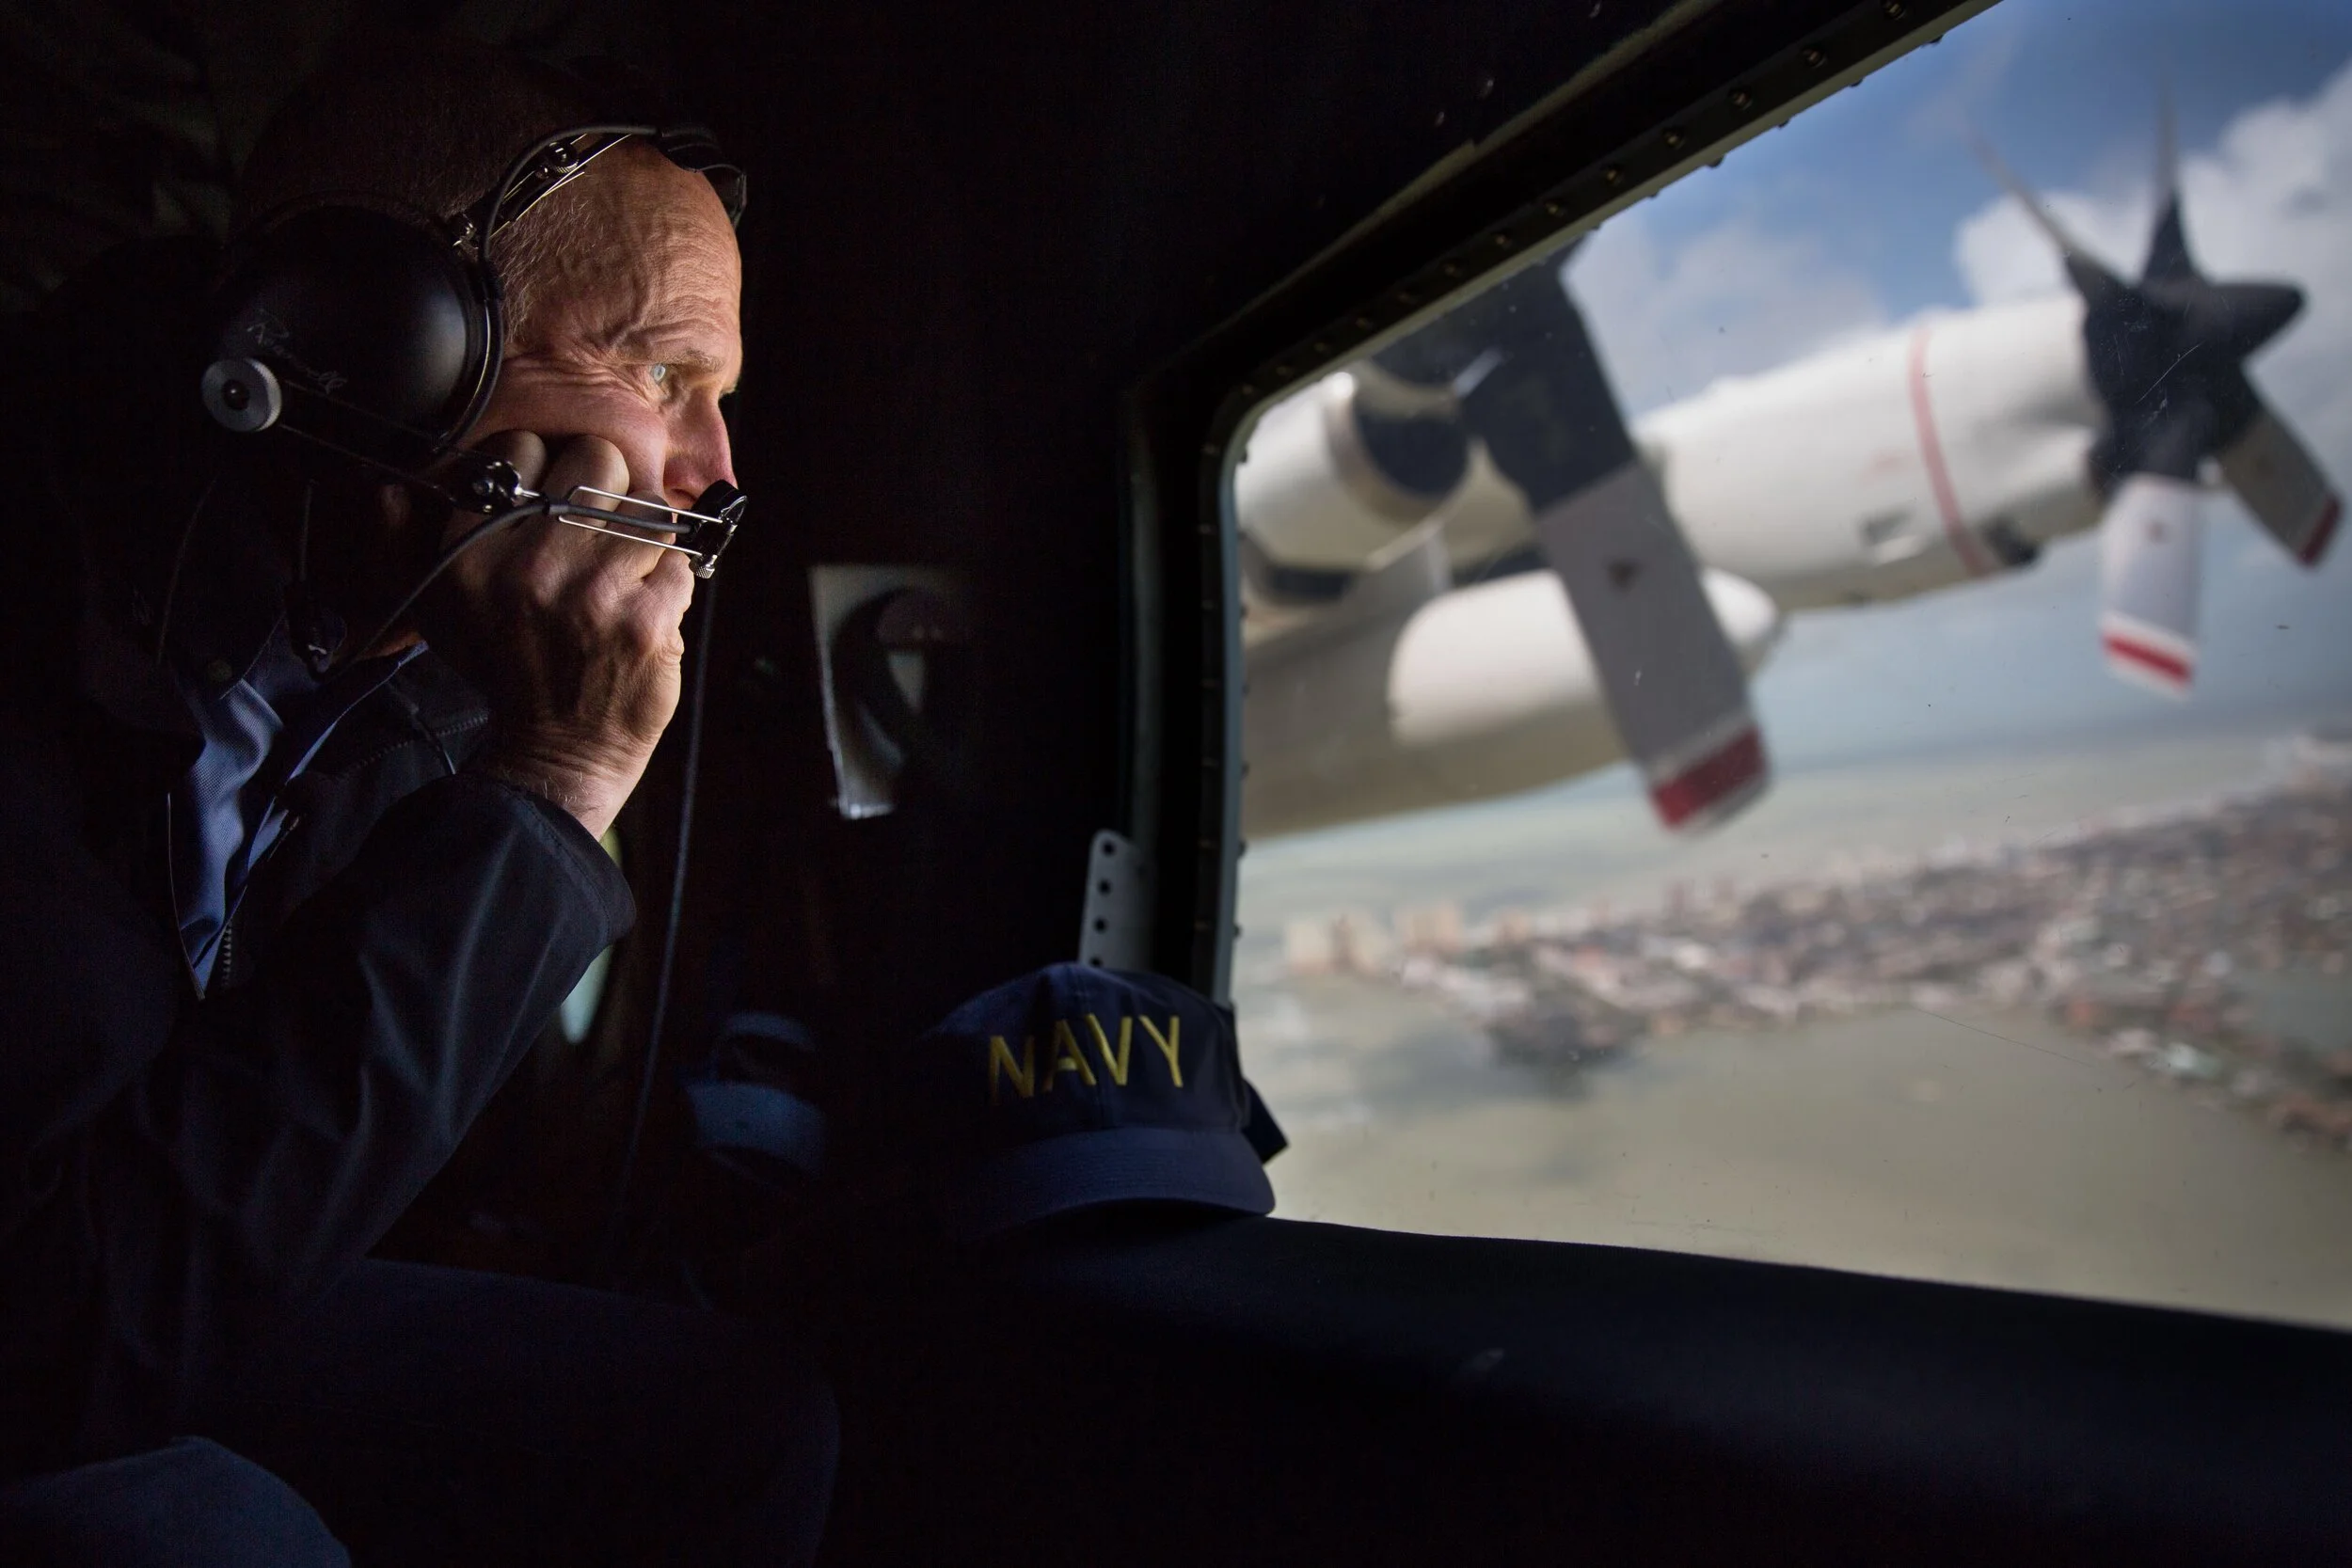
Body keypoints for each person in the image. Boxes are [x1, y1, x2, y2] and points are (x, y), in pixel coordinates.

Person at [0, 37, 834, 1566]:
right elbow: (67, 1338)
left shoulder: (416, 665)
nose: (714, 471)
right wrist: (555, 788)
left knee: (740, 1413)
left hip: (136, 1274)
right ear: (371, 341)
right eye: (665, 374)